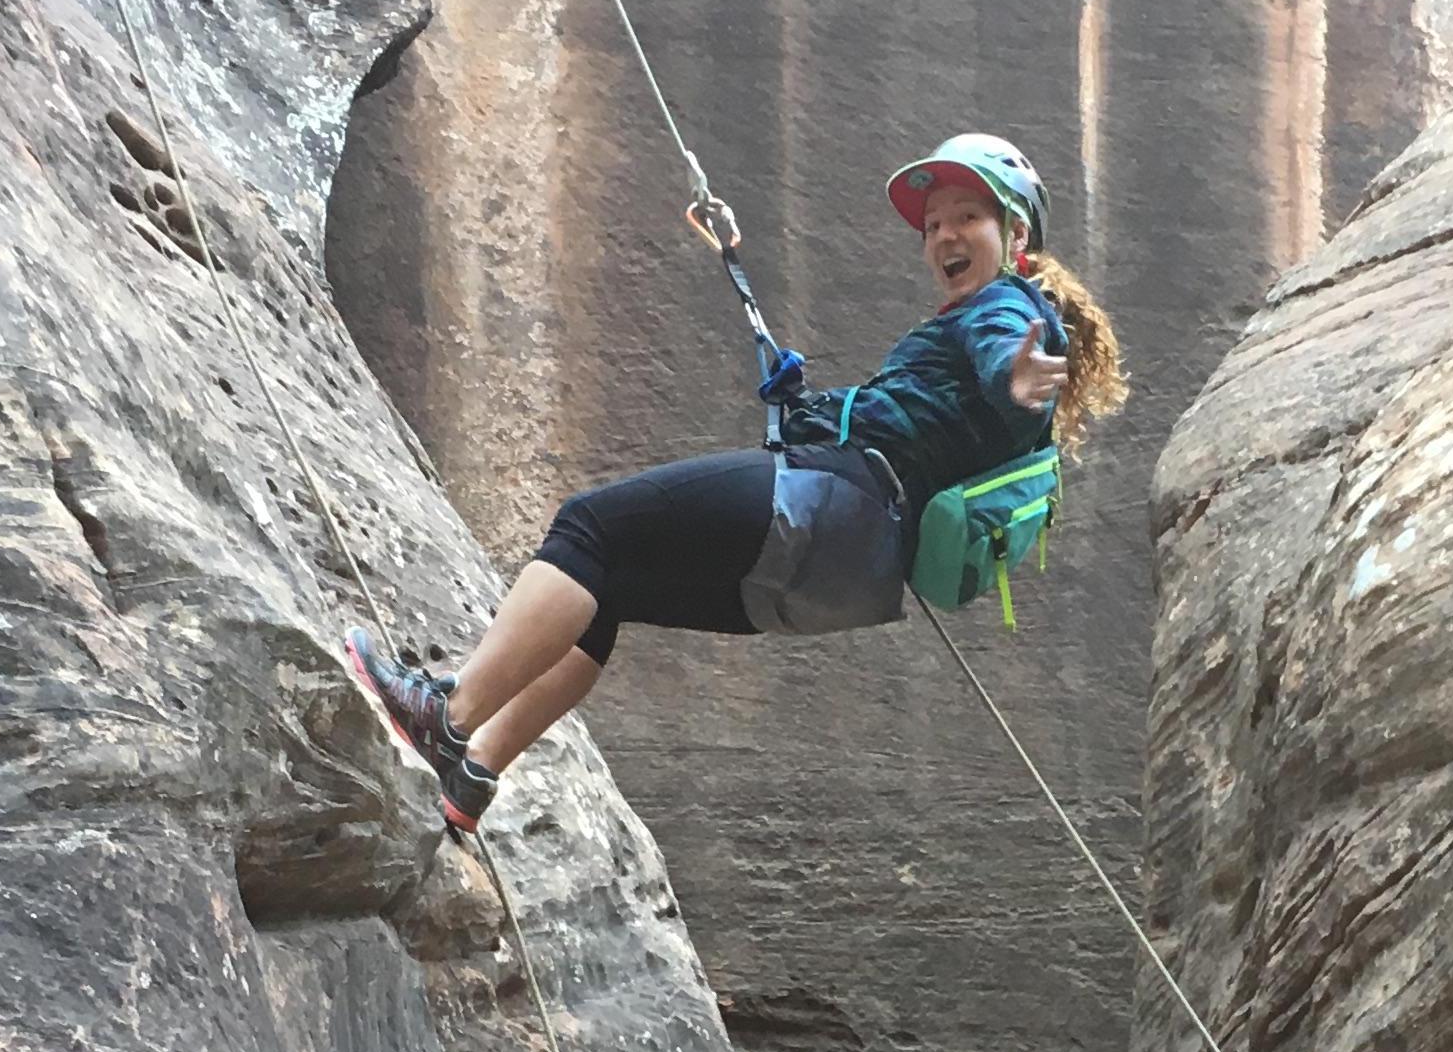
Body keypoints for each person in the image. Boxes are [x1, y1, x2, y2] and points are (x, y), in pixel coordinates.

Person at [345, 131, 1129, 837]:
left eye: (967, 217)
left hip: (835, 505)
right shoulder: (996, 323)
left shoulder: (1006, 311)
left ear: (1016, 234)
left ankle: (447, 716)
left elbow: (1003, 362)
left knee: (588, 528)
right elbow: (926, 420)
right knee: (607, 588)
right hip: (849, 576)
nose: (944, 236)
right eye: (933, 226)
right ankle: (475, 771)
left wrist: (1016, 372)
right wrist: (815, 405)